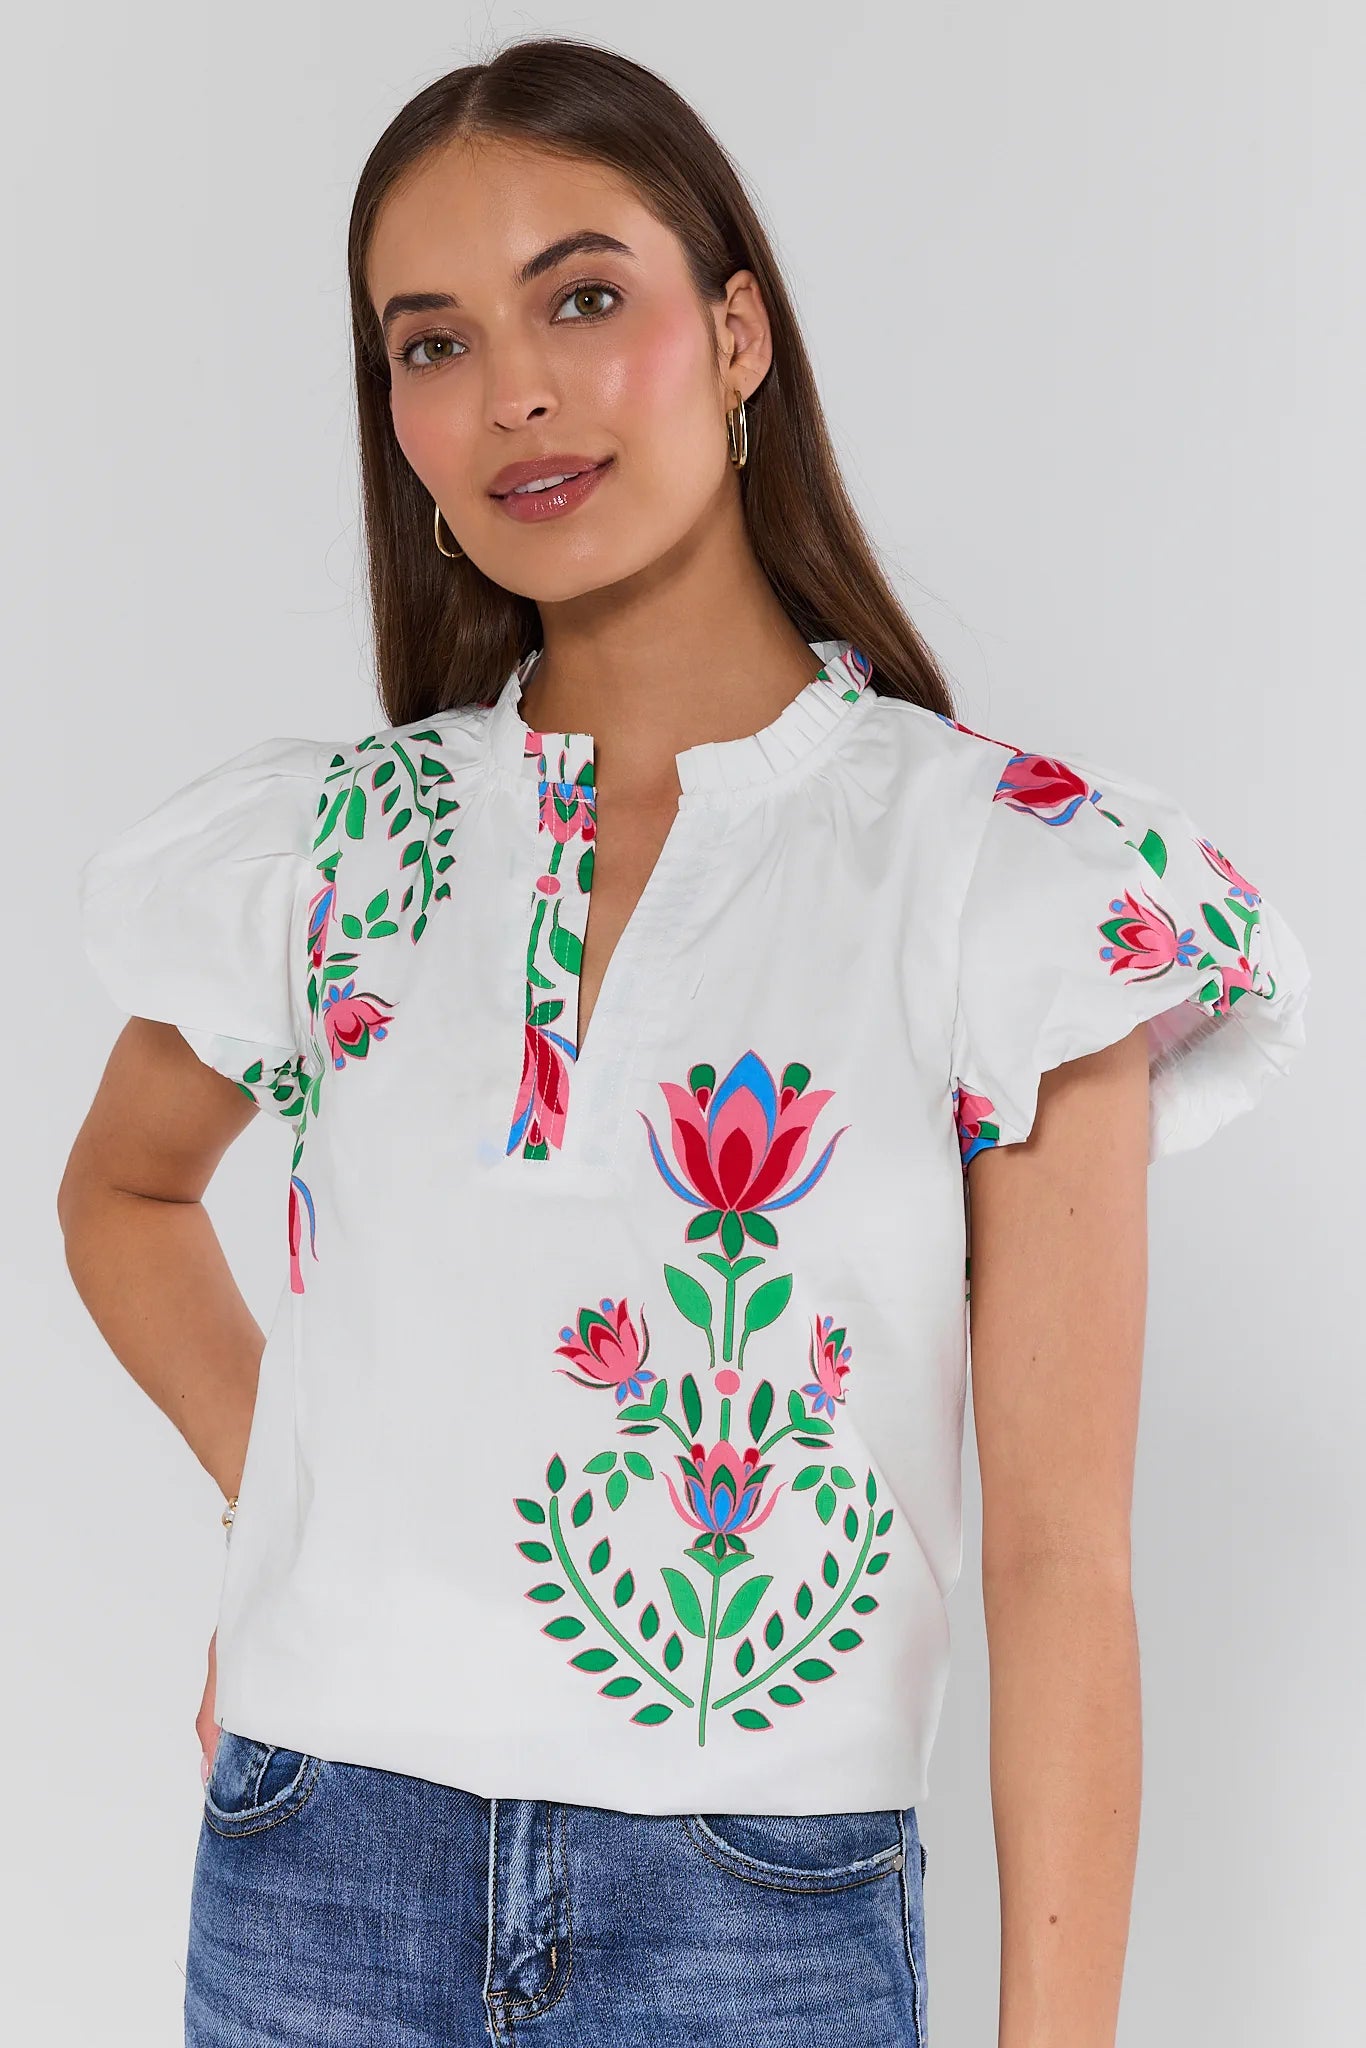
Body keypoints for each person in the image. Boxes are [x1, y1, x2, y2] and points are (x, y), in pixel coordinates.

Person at [58, 35, 1311, 2048]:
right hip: (314, 1871)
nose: (513, 392)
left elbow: (1062, 1557)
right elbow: (120, 1197)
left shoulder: (995, 875)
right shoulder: (340, 844)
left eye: (579, 298)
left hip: (752, 1913)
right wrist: (284, 1498)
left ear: (735, 336)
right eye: (432, 343)